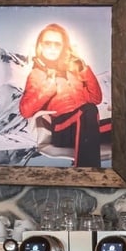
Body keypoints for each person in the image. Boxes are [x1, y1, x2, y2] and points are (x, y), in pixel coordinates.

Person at [17, 23, 109, 169]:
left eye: (57, 44)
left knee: (124, 122)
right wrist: (48, 86)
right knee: (87, 110)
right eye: (48, 43)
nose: (52, 48)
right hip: (61, 130)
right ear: (40, 45)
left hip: (86, 126)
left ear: (63, 47)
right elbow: (25, 111)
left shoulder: (73, 72)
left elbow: (96, 98)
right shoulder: (37, 74)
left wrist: (83, 70)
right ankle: (85, 172)